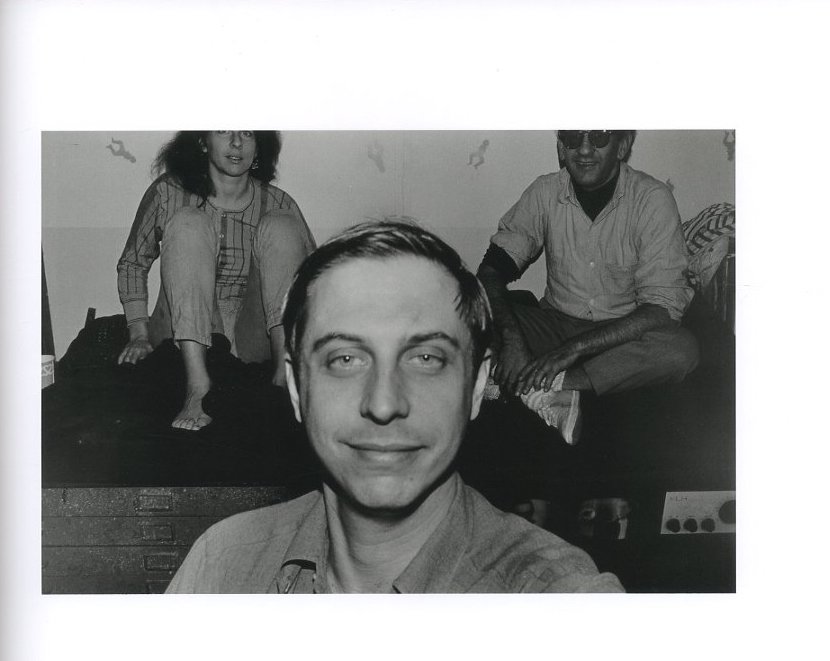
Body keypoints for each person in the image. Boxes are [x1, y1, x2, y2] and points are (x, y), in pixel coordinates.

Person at [167, 220, 623, 593]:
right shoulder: (220, 566)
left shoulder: (554, 591)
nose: (383, 404)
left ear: (477, 386)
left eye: (425, 359)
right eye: (345, 359)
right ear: (297, 389)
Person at [478, 130, 699, 444]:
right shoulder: (544, 191)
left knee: (680, 350)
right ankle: (541, 385)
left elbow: (662, 308)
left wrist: (573, 351)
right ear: (561, 148)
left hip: (621, 335)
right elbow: (490, 272)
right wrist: (513, 339)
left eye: (598, 137)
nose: (584, 150)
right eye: (572, 137)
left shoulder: (652, 198)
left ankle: (552, 385)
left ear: (622, 146)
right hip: (554, 324)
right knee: (465, 312)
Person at [116, 130, 316, 430]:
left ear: (259, 145)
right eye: (223, 130)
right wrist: (138, 334)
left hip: (253, 333)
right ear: (202, 141)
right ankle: (197, 388)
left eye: (247, 133)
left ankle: (282, 375)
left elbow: (314, 277)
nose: (236, 143)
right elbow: (133, 262)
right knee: (189, 221)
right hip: (180, 329)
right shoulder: (167, 191)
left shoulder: (279, 202)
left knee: (282, 225)